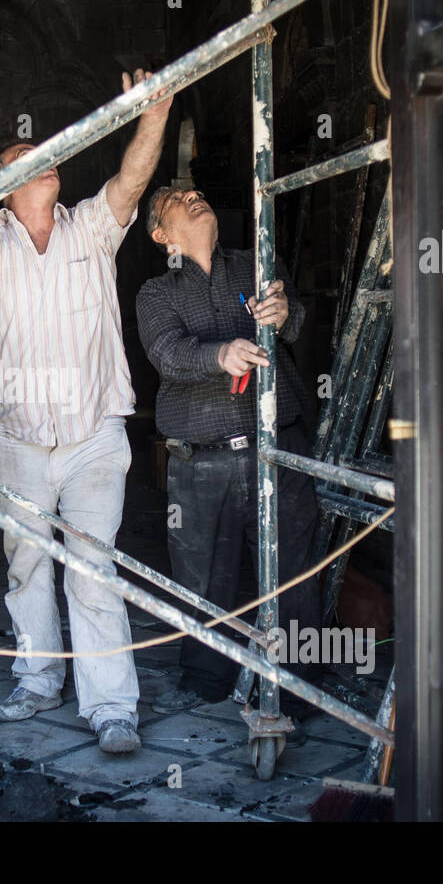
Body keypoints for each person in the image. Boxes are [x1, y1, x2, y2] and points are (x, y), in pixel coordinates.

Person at [0, 69, 172, 754]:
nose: (44, 163)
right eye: (22, 161)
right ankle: (39, 678)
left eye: (47, 154)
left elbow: (131, 181)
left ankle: (110, 706)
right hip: (18, 441)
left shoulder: (92, 228)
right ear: (4, 188)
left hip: (95, 433)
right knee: (28, 568)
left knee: (93, 569)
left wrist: (152, 114)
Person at [135, 185, 322, 738]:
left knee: (292, 570)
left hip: (279, 449)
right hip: (202, 460)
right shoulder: (155, 293)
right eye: (176, 199)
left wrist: (286, 312)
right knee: (202, 572)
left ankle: (296, 683)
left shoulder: (258, 264)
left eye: (197, 192)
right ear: (160, 234)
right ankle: (207, 674)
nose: (194, 197)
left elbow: (299, 325)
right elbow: (167, 351)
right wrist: (220, 353)